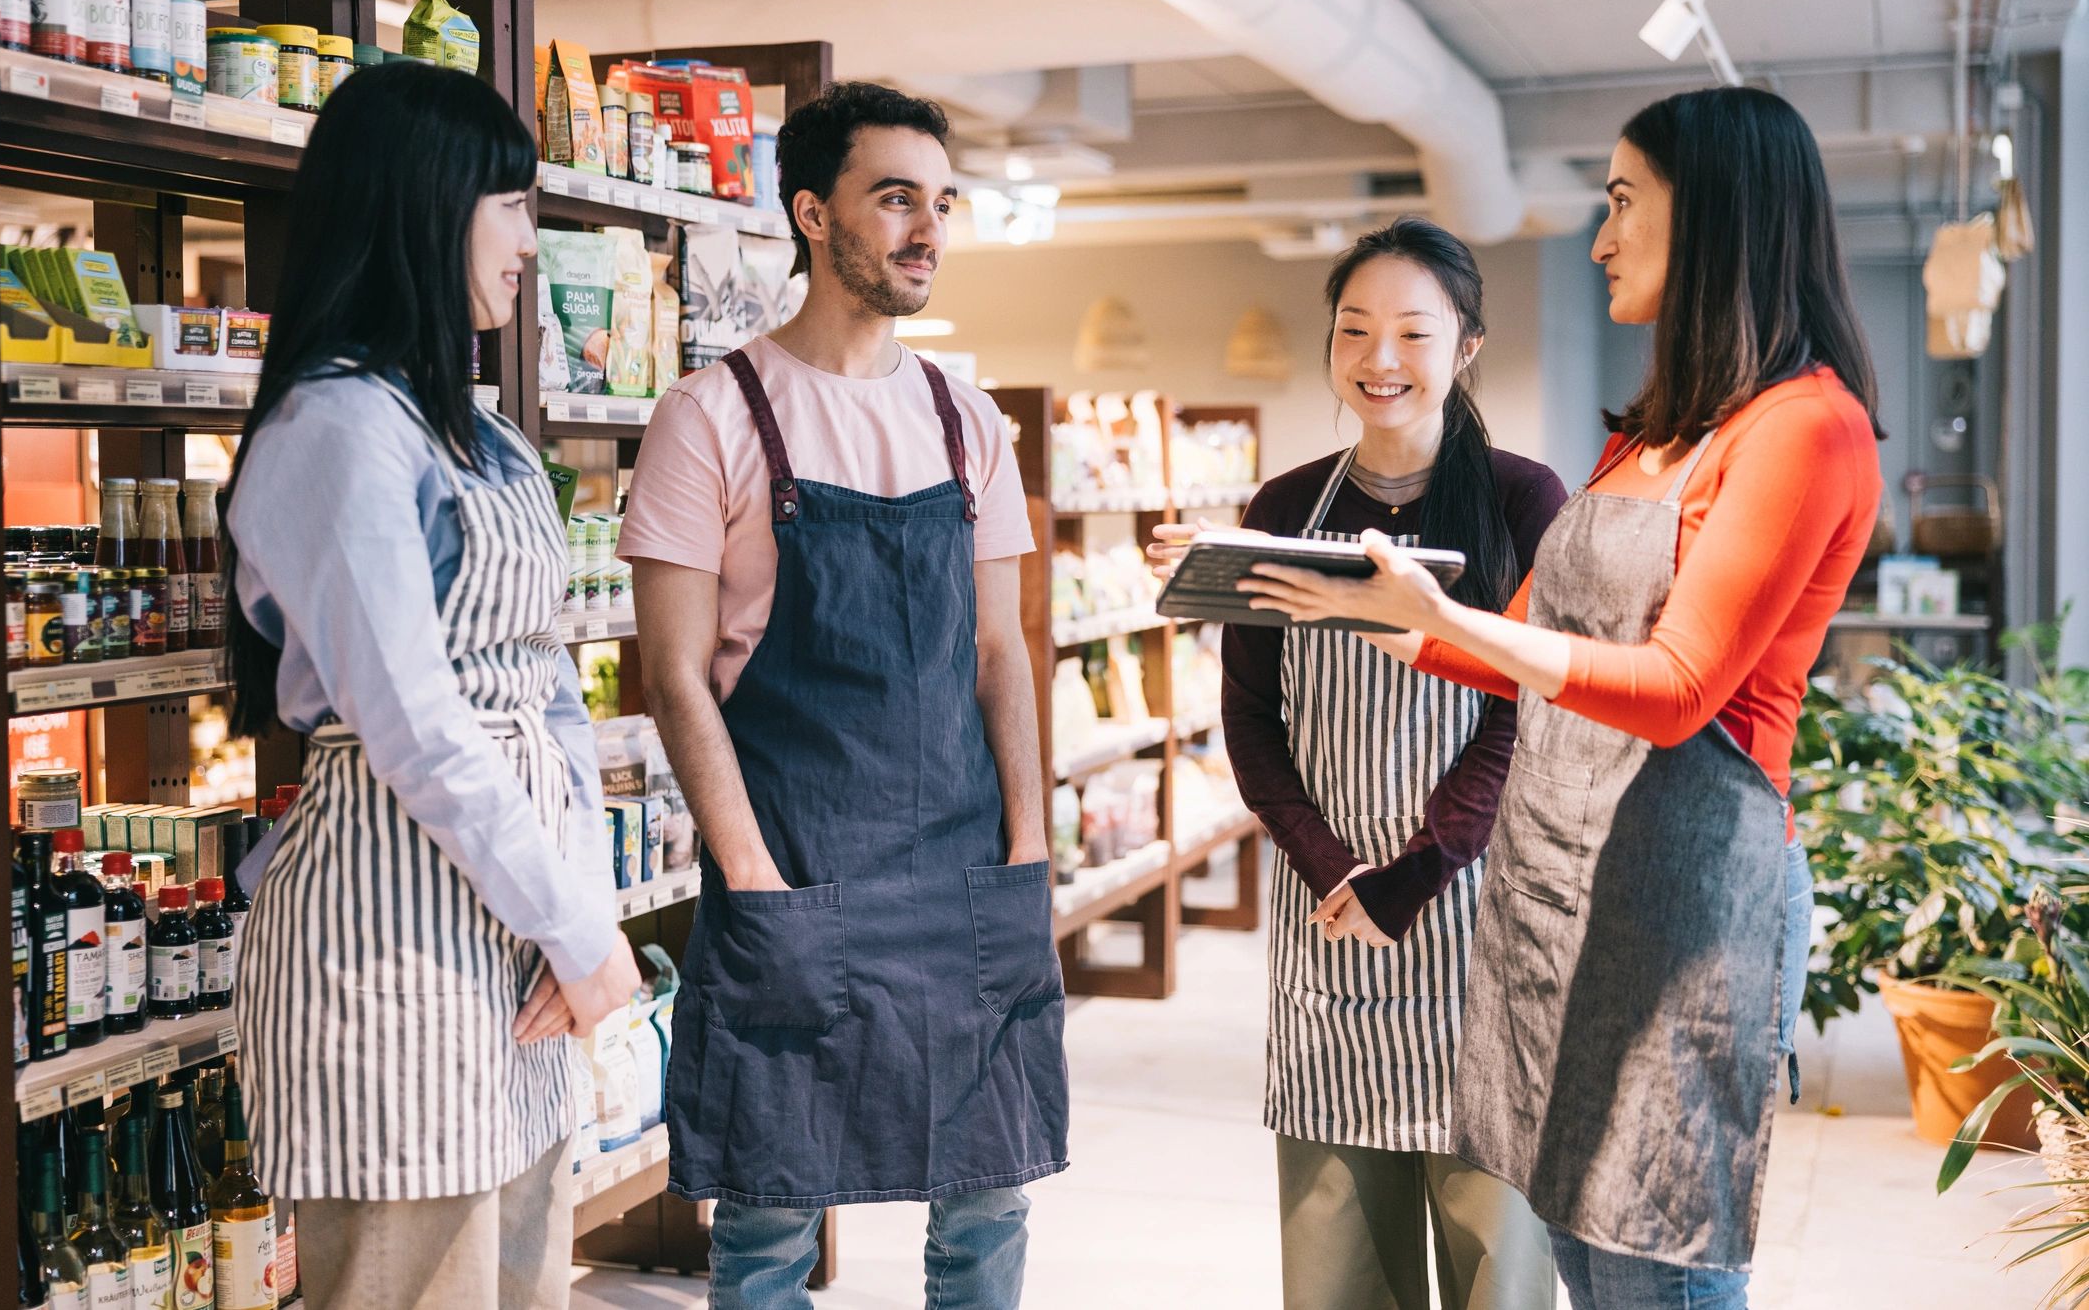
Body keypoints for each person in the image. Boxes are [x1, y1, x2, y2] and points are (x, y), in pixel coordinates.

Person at [1238, 87, 1882, 1308]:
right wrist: (1370, 612)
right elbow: (1525, 636)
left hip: (1685, 896)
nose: (1598, 237)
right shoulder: (1655, 433)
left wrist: (1437, 622)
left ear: (1714, 220)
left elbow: (1681, 689)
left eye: (1623, 203)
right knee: (1582, 1261)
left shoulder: (1805, 429)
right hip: (1565, 889)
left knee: (1655, 1267)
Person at [620, 81, 1066, 1310]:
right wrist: (750, 870)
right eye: (893, 199)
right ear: (813, 215)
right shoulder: (710, 417)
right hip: (795, 862)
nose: (926, 229)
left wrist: (1027, 844)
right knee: (768, 1204)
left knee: (985, 1196)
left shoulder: (962, 420)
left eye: (939, 203)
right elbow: (671, 675)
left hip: (962, 869)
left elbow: (997, 654)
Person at [221, 63, 638, 1309]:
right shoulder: (336, 430)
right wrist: (572, 925)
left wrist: (582, 908)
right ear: (419, 202)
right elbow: (416, 726)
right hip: (390, 950)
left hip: (517, 934)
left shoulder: (479, 428)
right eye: (508, 203)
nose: (528, 239)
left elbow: (546, 684)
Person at [1176, 217, 1567, 1310]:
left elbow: (1529, 710)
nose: (1378, 359)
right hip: (1331, 928)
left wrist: (1414, 870)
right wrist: (1331, 869)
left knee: (1502, 1268)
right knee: (1339, 1270)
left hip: (1482, 929)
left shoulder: (1520, 502)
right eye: (1354, 328)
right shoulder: (1280, 513)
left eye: (1410, 331)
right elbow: (1252, 718)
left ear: (1466, 345)